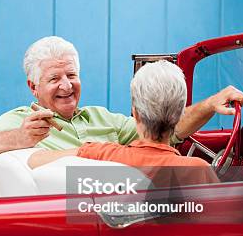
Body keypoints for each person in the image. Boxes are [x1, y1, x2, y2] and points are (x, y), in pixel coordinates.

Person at [0, 36, 243, 166]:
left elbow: (166, 131)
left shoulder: (103, 118)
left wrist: (208, 105)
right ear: (33, 87)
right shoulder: (24, 121)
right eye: (55, 79)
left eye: (72, 75)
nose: (67, 85)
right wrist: (20, 137)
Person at [27, 60, 219, 186]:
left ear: (135, 113)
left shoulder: (102, 153)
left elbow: (34, 161)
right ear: (179, 117)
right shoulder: (198, 170)